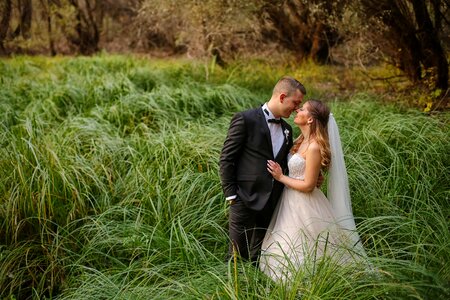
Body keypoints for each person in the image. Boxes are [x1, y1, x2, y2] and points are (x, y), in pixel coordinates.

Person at [260, 100, 366, 281]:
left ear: (310, 119)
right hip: (289, 200)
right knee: (284, 244)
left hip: (305, 202)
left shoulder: (315, 146)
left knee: (303, 246)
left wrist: (281, 177)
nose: (297, 110)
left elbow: (309, 185)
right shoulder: (300, 140)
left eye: (302, 109)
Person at [219, 76, 306, 263]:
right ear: (282, 97)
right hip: (243, 198)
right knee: (236, 256)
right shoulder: (245, 119)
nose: (297, 108)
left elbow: (285, 164)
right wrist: (231, 195)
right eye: (296, 103)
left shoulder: (287, 129)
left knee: (261, 255)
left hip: (273, 201)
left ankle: (255, 289)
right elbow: (227, 158)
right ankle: (232, 290)